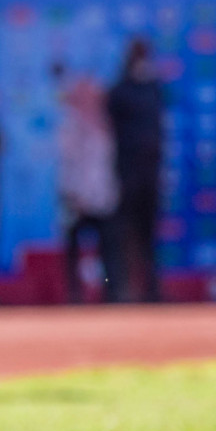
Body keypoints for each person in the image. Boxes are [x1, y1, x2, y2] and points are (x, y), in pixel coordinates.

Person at [107, 38, 163, 303]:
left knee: (148, 233)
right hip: (126, 173)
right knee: (123, 233)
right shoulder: (120, 90)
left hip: (150, 172)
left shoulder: (154, 88)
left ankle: (151, 288)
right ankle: (122, 289)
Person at [56, 75, 121, 303]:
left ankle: (111, 293)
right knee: (73, 247)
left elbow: (108, 163)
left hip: (103, 197)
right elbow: (67, 163)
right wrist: (72, 195)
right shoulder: (69, 126)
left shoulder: (106, 124)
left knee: (109, 248)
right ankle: (74, 294)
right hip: (76, 198)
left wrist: (110, 193)